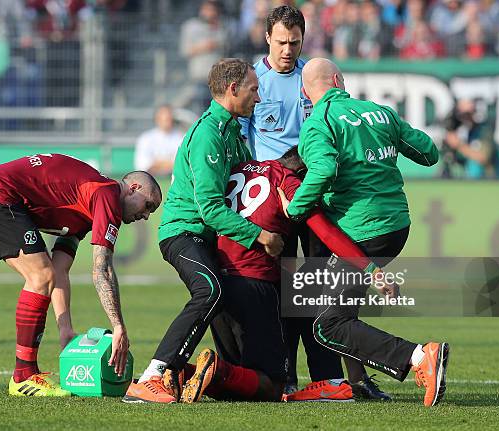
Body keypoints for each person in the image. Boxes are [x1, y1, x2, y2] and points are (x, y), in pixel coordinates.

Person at [168, 146, 398, 403]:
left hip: (220, 284)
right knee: (271, 386)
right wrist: (372, 270)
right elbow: (327, 234)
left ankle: (180, 372)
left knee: (238, 386)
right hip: (254, 287)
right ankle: (211, 369)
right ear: (303, 171)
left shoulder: (239, 169)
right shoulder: (288, 182)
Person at [285, 57, 449, 407]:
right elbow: (428, 152)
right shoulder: (380, 112)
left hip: (359, 231)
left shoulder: (319, 122)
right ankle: (359, 383)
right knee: (345, 313)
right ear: (338, 80)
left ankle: (419, 358)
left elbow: (324, 168)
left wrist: (296, 208)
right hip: (396, 226)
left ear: (305, 90)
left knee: (326, 325)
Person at [240, 5, 384, 400]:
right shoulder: (251, 81)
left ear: (304, 39)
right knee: (281, 289)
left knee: (319, 287)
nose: (288, 50)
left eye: (295, 42)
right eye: (282, 42)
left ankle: (331, 377)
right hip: (274, 199)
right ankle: (283, 373)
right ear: (267, 38)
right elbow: (239, 139)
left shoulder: (312, 78)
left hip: (314, 192)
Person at [123, 58, 284, 404]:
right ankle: (152, 377)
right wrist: (260, 236)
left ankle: (202, 376)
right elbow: (210, 208)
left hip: (210, 238)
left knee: (225, 301)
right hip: (184, 233)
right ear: (232, 89)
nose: (258, 98)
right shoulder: (208, 135)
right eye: (254, 90)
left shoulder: (233, 133)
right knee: (209, 289)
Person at [0, 153, 162, 396]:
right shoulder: (106, 193)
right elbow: (102, 269)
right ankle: (23, 376)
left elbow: (60, 269)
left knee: (45, 274)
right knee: (40, 276)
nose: (146, 215)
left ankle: (24, 373)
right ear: (133, 188)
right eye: (148, 205)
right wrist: (118, 327)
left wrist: (65, 329)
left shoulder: (88, 204)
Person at [178, 0, 228, 114]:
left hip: (218, 78)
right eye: (207, 9)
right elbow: (185, 50)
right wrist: (204, 47)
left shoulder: (221, 26)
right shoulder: (191, 26)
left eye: (212, 10)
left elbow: (226, 45)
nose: (210, 13)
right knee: (201, 112)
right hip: (199, 77)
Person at [441, 99, 499, 179]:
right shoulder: (464, 132)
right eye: (461, 115)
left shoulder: (484, 130)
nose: (465, 118)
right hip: (471, 182)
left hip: (492, 181)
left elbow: (482, 157)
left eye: (468, 114)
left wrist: (458, 145)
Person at [133, 105, 184, 177]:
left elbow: (181, 164)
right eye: (164, 119)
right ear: (157, 119)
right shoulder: (146, 138)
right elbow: (142, 165)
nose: (167, 122)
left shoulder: (181, 137)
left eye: (169, 118)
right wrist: (167, 164)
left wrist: (158, 163)